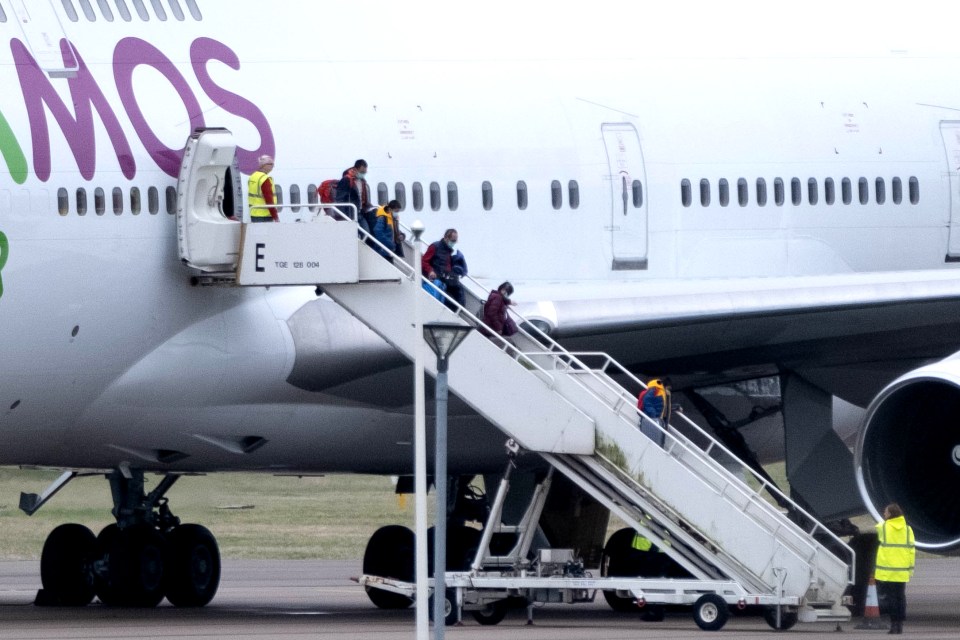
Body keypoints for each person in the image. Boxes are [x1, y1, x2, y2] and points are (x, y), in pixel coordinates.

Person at [874, 503, 915, 635]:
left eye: (885, 512)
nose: (884, 514)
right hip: (902, 570)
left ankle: (893, 625)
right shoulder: (908, 530)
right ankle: (900, 624)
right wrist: (910, 569)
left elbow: (878, 526)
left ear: (890, 514)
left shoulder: (883, 527)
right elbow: (911, 551)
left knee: (891, 598)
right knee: (900, 597)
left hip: (888, 570)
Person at [422, 228, 468, 309]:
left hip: (446, 277)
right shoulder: (435, 246)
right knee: (444, 291)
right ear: (446, 238)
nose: (453, 243)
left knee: (459, 289)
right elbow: (424, 261)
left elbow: (447, 266)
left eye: (455, 241)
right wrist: (430, 271)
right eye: (453, 240)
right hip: (437, 276)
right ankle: (451, 309)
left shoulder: (449, 251)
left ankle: (459, 310)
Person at [481, 281, 519, 349]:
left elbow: (502, 300)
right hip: (490, 327)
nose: (505, 294)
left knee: (507, 341)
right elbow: (491, 313)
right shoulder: (498, 298)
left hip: (489, 325)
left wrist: (509, 302)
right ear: (503, 290)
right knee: (507, 342)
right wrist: (498, 328)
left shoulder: (497, 296)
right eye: (507, 292)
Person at [637, 378, 672, 446]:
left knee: (652, 439)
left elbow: (663, 406)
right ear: (665, 386)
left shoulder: (661, 391)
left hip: (654, 419)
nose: (668, 390)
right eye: (668, 388)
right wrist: (654, 414)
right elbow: (647, 400)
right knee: (646, 438)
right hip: (650, 418)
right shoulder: (655, 389)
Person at [247, 155, 278, 222]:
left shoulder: (253, 176)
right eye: (271, 164)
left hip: (254, 213)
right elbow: (269, 200)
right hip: (264, 216)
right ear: (264, 165)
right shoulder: (264, 179)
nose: (272, 166)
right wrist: (275, 217)